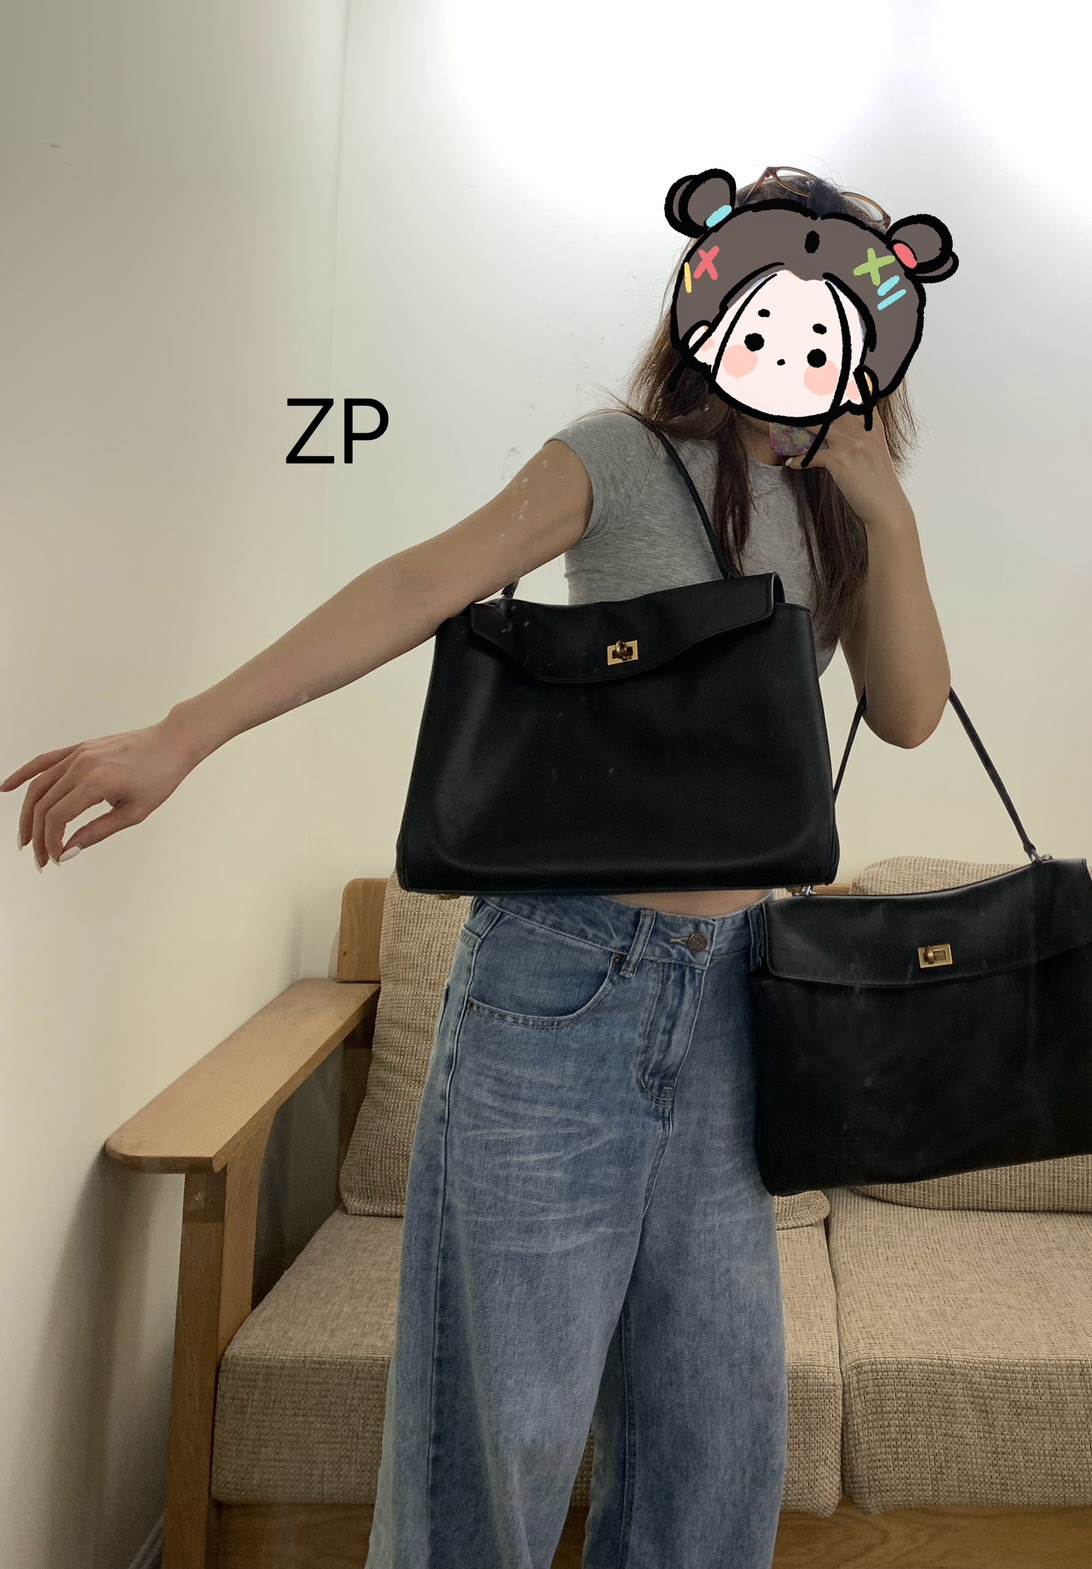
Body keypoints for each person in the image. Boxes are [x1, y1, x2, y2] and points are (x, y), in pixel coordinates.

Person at [5, 166, 951, 1569]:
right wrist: (181, 734)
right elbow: (418, 583)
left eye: (827, 323)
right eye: (768, 309)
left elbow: (910, 711)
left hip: (738, 999)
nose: (794, 344)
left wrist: (887, 509)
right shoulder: (616, 455)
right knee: (495, 1438)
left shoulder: (835, 503)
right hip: (562, 979)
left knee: (712, 1441)